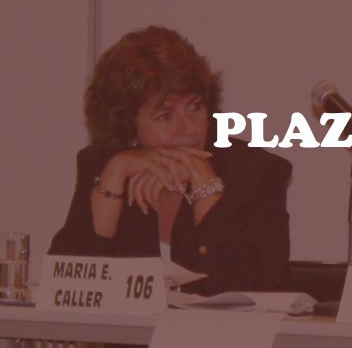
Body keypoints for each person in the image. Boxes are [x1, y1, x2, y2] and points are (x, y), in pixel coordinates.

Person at [50, 25, 291, 295]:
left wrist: (205, 183)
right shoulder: (103, 164)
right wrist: (116, 172)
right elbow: (66, 287)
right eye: (165, 117)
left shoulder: (254, 172)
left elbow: (255, 288)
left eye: (195, 107)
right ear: (128, 126)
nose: (189, 129)